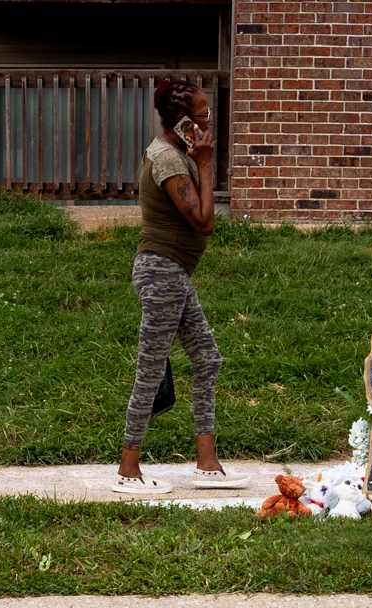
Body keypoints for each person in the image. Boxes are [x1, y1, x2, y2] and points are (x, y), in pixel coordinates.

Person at [116, 78, 239, 496]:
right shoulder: (169, 160)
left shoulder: (173, 152)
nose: (207, 124)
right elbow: (203, 220)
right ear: (182, 119)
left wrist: (198, 159)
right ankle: (128, 471)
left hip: (174, 272)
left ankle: (207, 464)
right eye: (203, 116)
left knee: (207, 360)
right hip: (161, 272)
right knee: (149, 371)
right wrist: (204, 164)